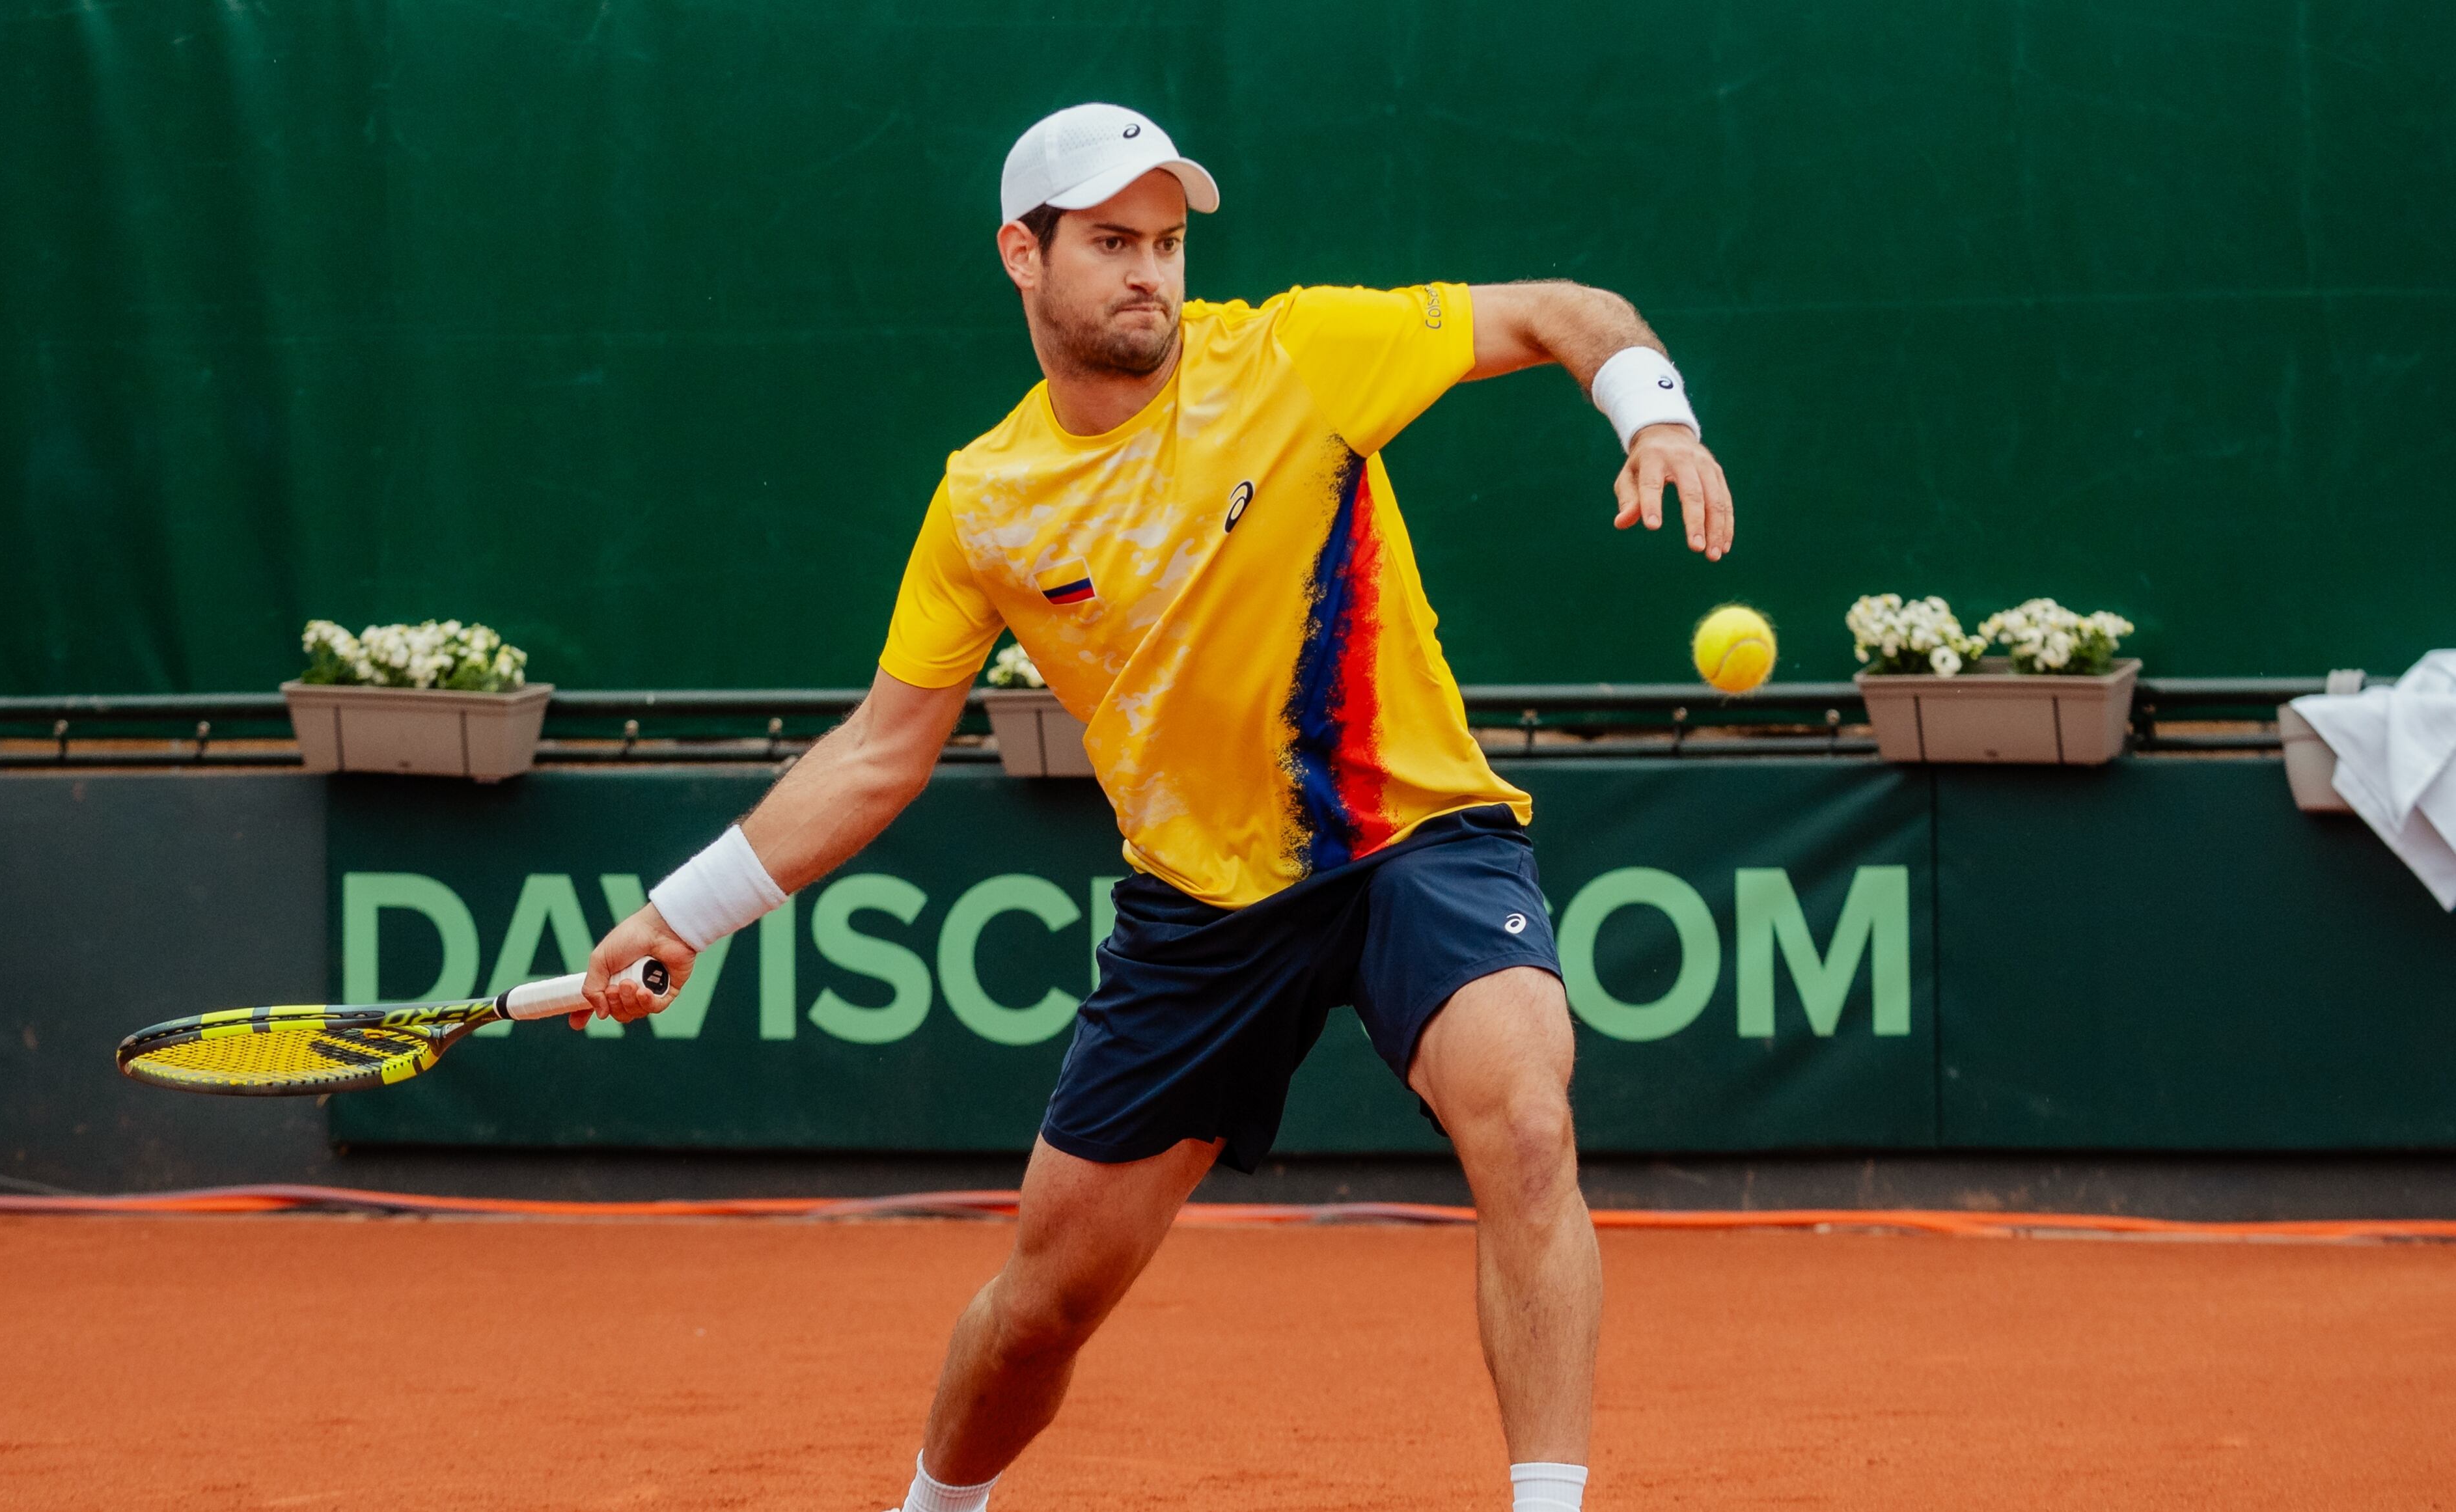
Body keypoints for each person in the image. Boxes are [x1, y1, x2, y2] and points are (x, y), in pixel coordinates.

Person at [581, 102, 1734, 1512]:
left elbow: (1565, 309)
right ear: (1024, 254)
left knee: (1529, 1122)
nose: (1152, 273)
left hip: (1411, 838)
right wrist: (687, 913)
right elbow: (881, 752)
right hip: (1200, 908)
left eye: (1171, 244)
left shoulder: (1297, 355)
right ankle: (937, 1505)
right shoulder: (987, 506)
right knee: (1045, 1301)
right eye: (1114, 242)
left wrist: (1655, 419)